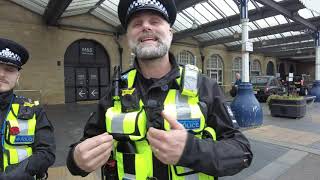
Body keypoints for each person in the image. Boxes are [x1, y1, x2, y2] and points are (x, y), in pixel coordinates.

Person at [66, 0, 252, 179]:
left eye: (155, 21)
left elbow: (241, 151)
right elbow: (83, 149)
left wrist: (192, 150)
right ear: (128, 37)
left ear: (170, 33)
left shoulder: (204, 87)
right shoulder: (115, 91)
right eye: (136, 23)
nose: (146, 27)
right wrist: (77, 160)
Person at [0, 38, 55, 179]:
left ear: (18, 76)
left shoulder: (34, 110)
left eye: (9, 70)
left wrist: (15, 175)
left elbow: (47, 153)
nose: (2, 74)